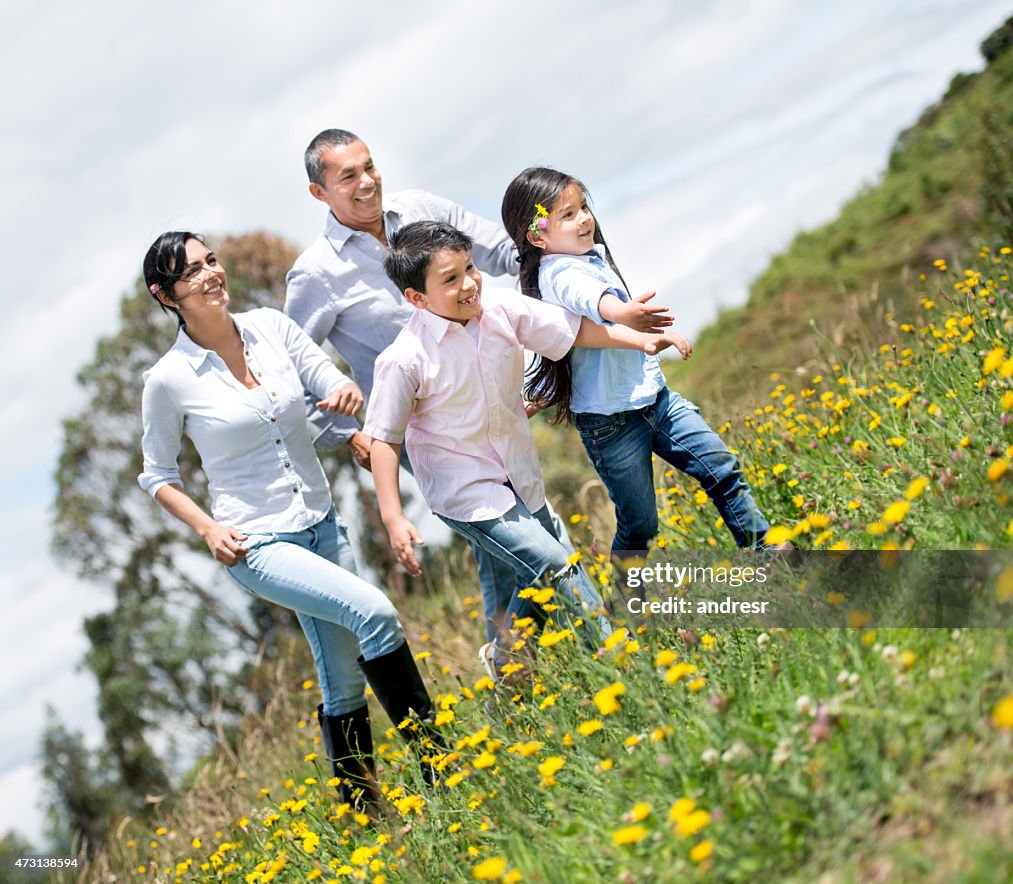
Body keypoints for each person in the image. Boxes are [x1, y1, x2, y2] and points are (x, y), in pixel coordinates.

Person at [137, 231, 443, 810]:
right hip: (258, 542)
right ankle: (442, 769)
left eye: (211, 261)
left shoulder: (271, 328)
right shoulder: (168, 379)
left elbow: (325, 378)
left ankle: (363, 812)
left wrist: (345, 391)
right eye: (192, 272)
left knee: (343, 675)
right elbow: (156, 474)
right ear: (167, 295)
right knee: (375, 614)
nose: (211, 275)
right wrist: (207, 528)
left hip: (322, 522)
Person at [362, 221, 692, 675]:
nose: (469, 284)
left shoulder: (499, 307)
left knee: (532, 571)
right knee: (557, 563)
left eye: (470, 268)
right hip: (467, 492)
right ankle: (624, 661)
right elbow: (384, 438)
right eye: (450, 279)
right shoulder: (404, 358)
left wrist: (641, 340)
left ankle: (507, 662)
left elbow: (571, 331)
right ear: (417, 299)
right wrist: (393, 517)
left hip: (518, 471)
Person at [283, 128, 568, 647]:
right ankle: (539, 650)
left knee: (512, 531)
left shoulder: (420, 208)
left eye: (369, 167)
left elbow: (501, 251)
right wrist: (349, 436)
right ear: (319, 192)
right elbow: (291, 369)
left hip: (484, 394)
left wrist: (562, 243)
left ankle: (515, 662)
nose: (367, 182)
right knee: (501, 528)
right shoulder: (316, 274)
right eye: (348, 176)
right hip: (419, 428)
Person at [500, 167, 774, 563]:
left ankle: (769, 553)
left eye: (582, 208)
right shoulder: (557, 273)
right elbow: (591, 299)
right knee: (640, 525)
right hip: (611, 425)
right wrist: (625, 312)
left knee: (721, 469)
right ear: (538, 236)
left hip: (656, 401)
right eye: (567, 215)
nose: (584, 219)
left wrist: (641, 335)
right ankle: (627, 609)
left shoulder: (591, 258)